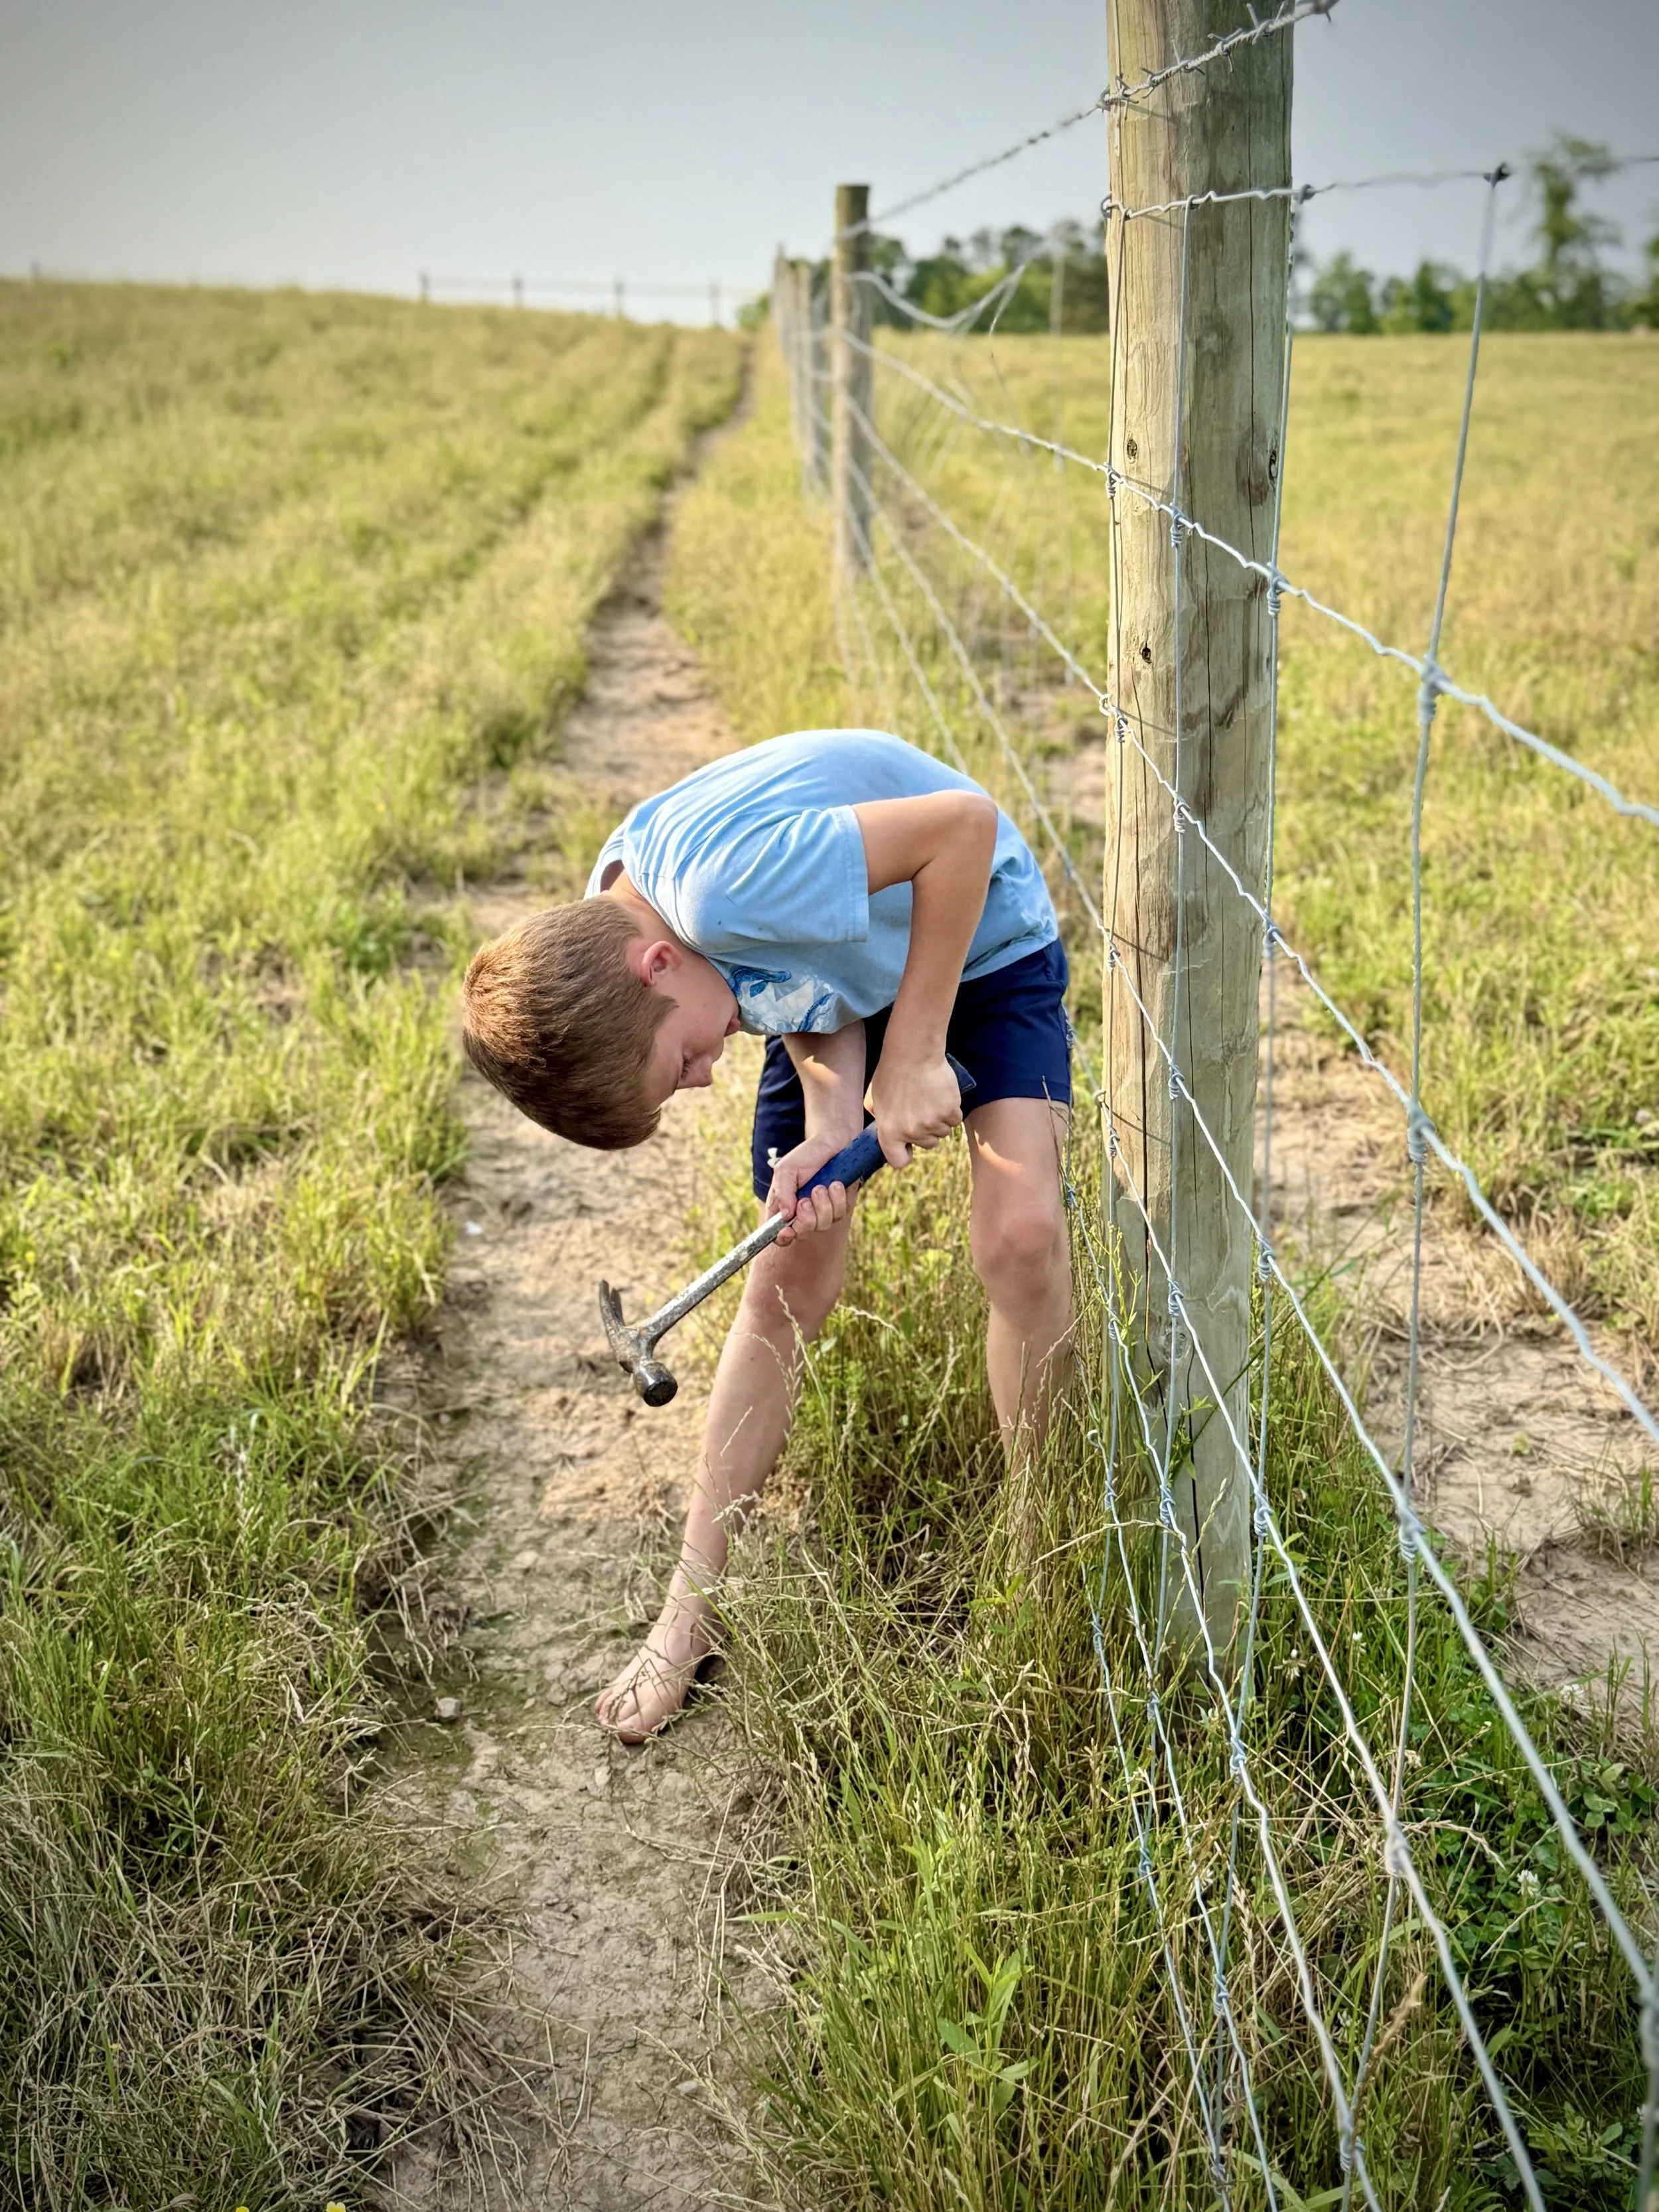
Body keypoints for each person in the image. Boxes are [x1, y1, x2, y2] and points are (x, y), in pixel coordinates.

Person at [460, 728, 1073, 1740]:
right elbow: (796, 972)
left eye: (681, 1064)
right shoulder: (618, 920)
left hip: (979, 933)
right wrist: (836, 1116)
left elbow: (965, 829)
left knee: (1019, 1239)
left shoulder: (717, 892)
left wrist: (916, 1051)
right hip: (864, 967)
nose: (706, 1076)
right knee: (786, 1276)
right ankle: (686, 1616)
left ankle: (1045, 1559)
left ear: (655, 967)